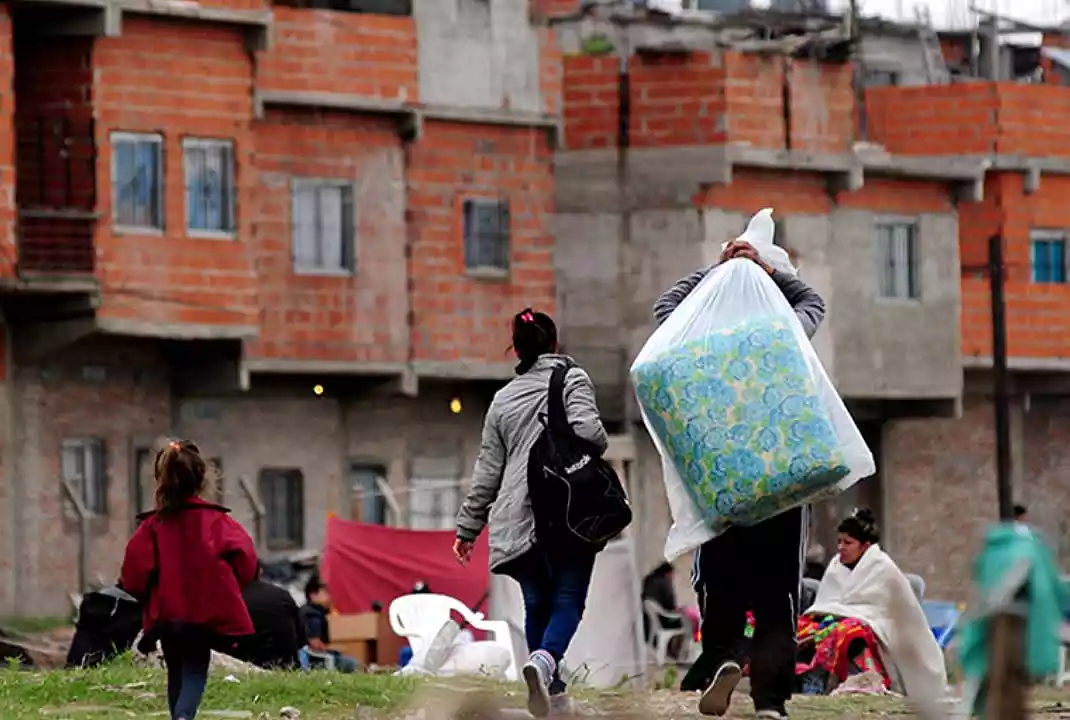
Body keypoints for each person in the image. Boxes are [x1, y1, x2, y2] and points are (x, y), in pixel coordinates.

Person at [656, 238, 826, 719]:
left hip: (721, 485)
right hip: (780, 485)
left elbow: (664, 306)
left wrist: (718, 271)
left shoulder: (697, 336)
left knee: (721, 584)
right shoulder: (783, 330)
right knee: (779, 597)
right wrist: (766, 273)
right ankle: (770, 702)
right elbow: (814, 300)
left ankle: (727, 657)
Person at [454, 308, 607, 718]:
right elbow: (590, 433)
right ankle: (545, 663)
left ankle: (552, 696)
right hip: (569, 510)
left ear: (516, 350)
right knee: (569, 599)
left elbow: (488, 470)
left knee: (537, 603)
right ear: (555, 345)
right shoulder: (572, 378)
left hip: (516, 517)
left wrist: (467, 528)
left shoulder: (502, 400)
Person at [119, 440, 258, 720]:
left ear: (162, 481)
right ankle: (183, 716)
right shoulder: (218, 522)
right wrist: (230, 586)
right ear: (202, 479)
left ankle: (179, 716)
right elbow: (246, 560)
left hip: (167, 615)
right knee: (195, 667)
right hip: (204, 614)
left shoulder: (153, 527)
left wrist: (147, 593)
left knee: (175, 668)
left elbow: (133, 574)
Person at [799, 509, 946, 700]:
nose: (841, 547)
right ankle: (810, 680)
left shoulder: (882, 567)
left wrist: (852, 618)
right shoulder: (836, 566)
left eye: (848, 543)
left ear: (865, 546)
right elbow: (827, 602)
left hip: (880, 628)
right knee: (806, 629)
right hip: (836, 620)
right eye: (839, 542)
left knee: (850, 631)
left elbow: (884, 613)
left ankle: (865, 682)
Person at [236, 563, 307, 670]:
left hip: (240, 672)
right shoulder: (282, 595)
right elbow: (302, 638)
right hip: (287, 669)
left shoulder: (229, 599)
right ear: (260, 572)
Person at [298, 575, 359, 673]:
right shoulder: (313, 615)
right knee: (351, 663)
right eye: (326, 593)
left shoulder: (306, 611)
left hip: (308, 657)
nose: (329, 597)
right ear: (313, 595)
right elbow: (315, 644)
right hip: (313, 659)